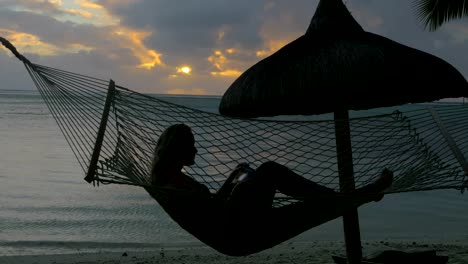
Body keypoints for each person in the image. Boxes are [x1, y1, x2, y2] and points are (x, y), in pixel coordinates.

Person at [149, 123, 393, 256]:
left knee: (266, 174)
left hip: (235, 221)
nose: (196, 150)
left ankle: (357, 194)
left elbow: (212, 205)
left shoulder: (175, 179)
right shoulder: (172, 188)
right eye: (192, 146)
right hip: (237, 232)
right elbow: (212, 212)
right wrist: (238, 188)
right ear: (178, 150)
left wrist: (233, 179)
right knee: (269, 170)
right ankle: (352, 194)